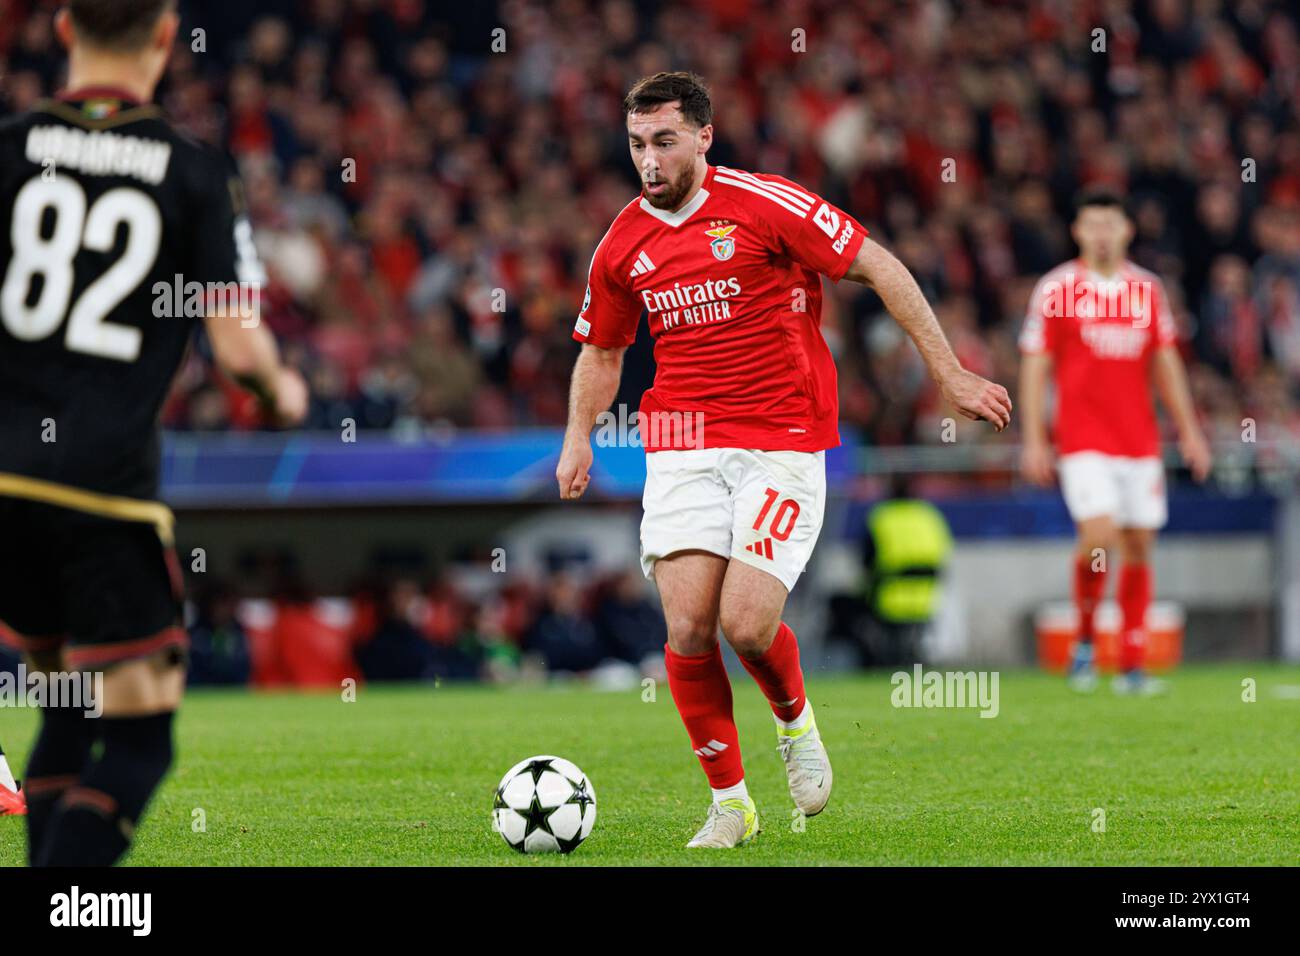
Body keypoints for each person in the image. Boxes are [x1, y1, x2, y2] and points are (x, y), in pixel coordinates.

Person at [556, 72, 1011, 848]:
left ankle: (795, 723)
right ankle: (731, 803)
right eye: (636, 144)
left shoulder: (768, 205)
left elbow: (882, 267)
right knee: (690, 627)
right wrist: (578, 436)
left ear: (704, 135)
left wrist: (950, 371)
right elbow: (602, 350)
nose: (649, 160)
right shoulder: (624, 241)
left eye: (664, 141)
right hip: (681, 446)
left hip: (782, 443)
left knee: (747, 621)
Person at [0, 0, 307, 865]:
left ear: (64, 30)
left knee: (67, 707)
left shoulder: (8, 150)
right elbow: (240, 348)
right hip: (102, 495)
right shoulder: (194, 171)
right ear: (167, 35)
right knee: (140, 740)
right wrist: (283, 390)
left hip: (7, 493)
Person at [1019, 190, 1211, 695]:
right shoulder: (1057, 289)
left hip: (1139, 441)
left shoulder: (1147, 290)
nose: (1102, 233)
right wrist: (1035, 439)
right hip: (1082, 440)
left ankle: (1131, 662)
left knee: (1140, 544)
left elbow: (1165, 362)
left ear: (1127, 230)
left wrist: (1189, 431)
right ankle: (1085, 640)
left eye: (1111, 224)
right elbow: (1035, 364)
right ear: (1077, 232)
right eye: (1092, 224)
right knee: (1099, 537)